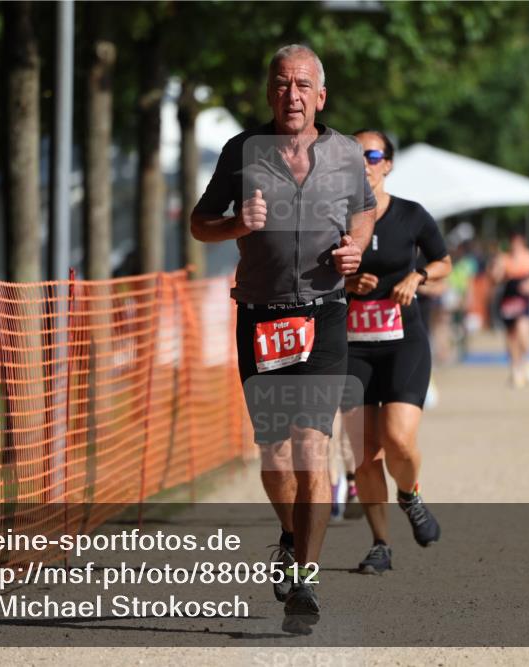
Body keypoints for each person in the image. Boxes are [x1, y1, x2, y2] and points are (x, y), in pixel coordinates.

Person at [190, 44, 376, 634]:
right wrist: (236, 225)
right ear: (268, 91)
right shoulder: (241, 152)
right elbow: (199, 223)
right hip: (262, 316)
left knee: (310, 448)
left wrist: (357, 246)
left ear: (321, 96)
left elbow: (365, 210)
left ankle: (307, 581)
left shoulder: (347, 154)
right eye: (281, 84)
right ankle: (293, 534)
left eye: (302, 86)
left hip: (323, 315)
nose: (291, 95)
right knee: (275, 456)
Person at [340, 130, 452, 575]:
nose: (363, 162)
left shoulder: (410, 215)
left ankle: (410, 495)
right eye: (355, 155)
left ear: (387, 164)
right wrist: (345, 284)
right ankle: (380, 543)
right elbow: (308, 274)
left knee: (398, 440)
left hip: (403, 341)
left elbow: (444, 261)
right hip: (352, 349)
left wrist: (418, 276)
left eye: (371, 155)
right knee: (363, 455)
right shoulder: (334, 218)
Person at [490, 229, 529, 388]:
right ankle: (515, 368)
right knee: (511, 336)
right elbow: (496, 278)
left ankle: (527, 359)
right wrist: (496, 266)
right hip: (508, 298)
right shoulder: (504, 258)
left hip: (523, 299)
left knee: (523, 329)